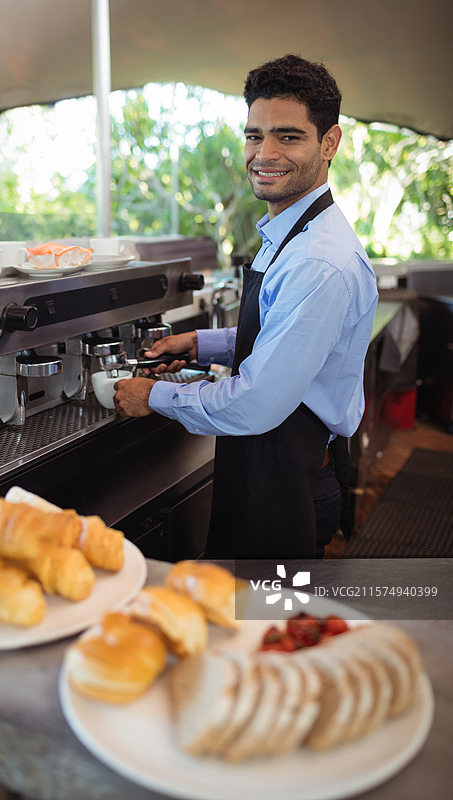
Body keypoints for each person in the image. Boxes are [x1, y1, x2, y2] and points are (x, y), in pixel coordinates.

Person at [113, 54, 378, 559]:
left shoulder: (318, 259)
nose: (265, 154)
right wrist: (199, 342)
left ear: (330, 142)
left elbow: (256, 403)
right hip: (272, 469)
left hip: (285, 487)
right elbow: (286, 338)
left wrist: (154, 398)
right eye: (254, 136)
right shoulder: (291, 232)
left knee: (259, 626)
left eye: (288, 136)